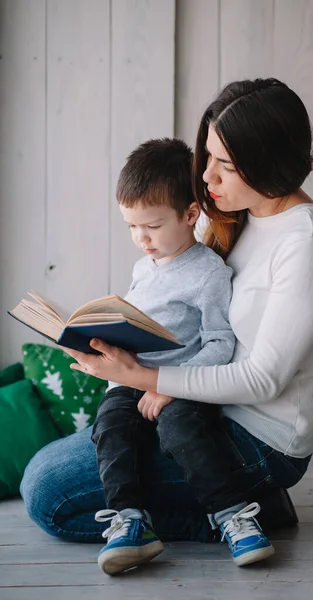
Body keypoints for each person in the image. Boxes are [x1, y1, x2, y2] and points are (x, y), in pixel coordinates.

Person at [21, 77, 313, 572]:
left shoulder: (307, 244)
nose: (208, 177)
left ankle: (234, 515)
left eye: (227, 164)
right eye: (209, 157)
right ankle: (212, 509)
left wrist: (146, 378)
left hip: (258, 438)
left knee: (49, 495)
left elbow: (264, 379)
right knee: (42, 472)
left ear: (270, 163)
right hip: (194, 402)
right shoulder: (231, 214)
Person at [86, 138, 245, 574]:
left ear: (191, 214)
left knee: (181, 430)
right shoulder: (144, 267)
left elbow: (220, 343)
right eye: (132, 227)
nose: (141, 239)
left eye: (152, 226)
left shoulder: (209, 273)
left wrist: (169, 385)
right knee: (111, 427)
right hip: (133, 378)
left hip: (180, 385)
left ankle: (232, 515)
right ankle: (129, 522)